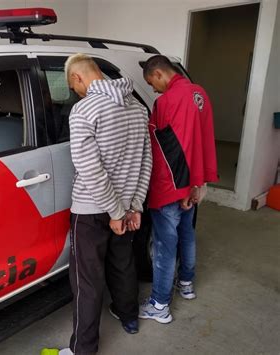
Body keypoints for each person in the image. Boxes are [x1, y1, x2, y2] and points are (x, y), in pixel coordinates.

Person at [45, 53, 152, 355]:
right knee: (123, 263)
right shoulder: (137, 108)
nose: (75, 91)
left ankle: (83, 348)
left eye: (72, 86)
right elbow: (146, 161)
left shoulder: (83, 111)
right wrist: (134, 206)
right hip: (127, 207)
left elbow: (91, 169)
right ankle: (129, 316)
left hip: (91, 211)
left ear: (78, 78)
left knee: (87, 281)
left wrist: (116, 211)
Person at [138, 55, 218, 324]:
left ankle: (159, 304)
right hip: (193, 182)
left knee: (164, 246)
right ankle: (186, 284)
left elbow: (168, 150)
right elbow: (201, 141)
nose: (153, 90)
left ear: (159, 73)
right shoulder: (199, 93)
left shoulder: (167, 101)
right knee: (187, 234)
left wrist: (182, 189)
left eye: (152, 83)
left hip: (173, 186)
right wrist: (196, 184)